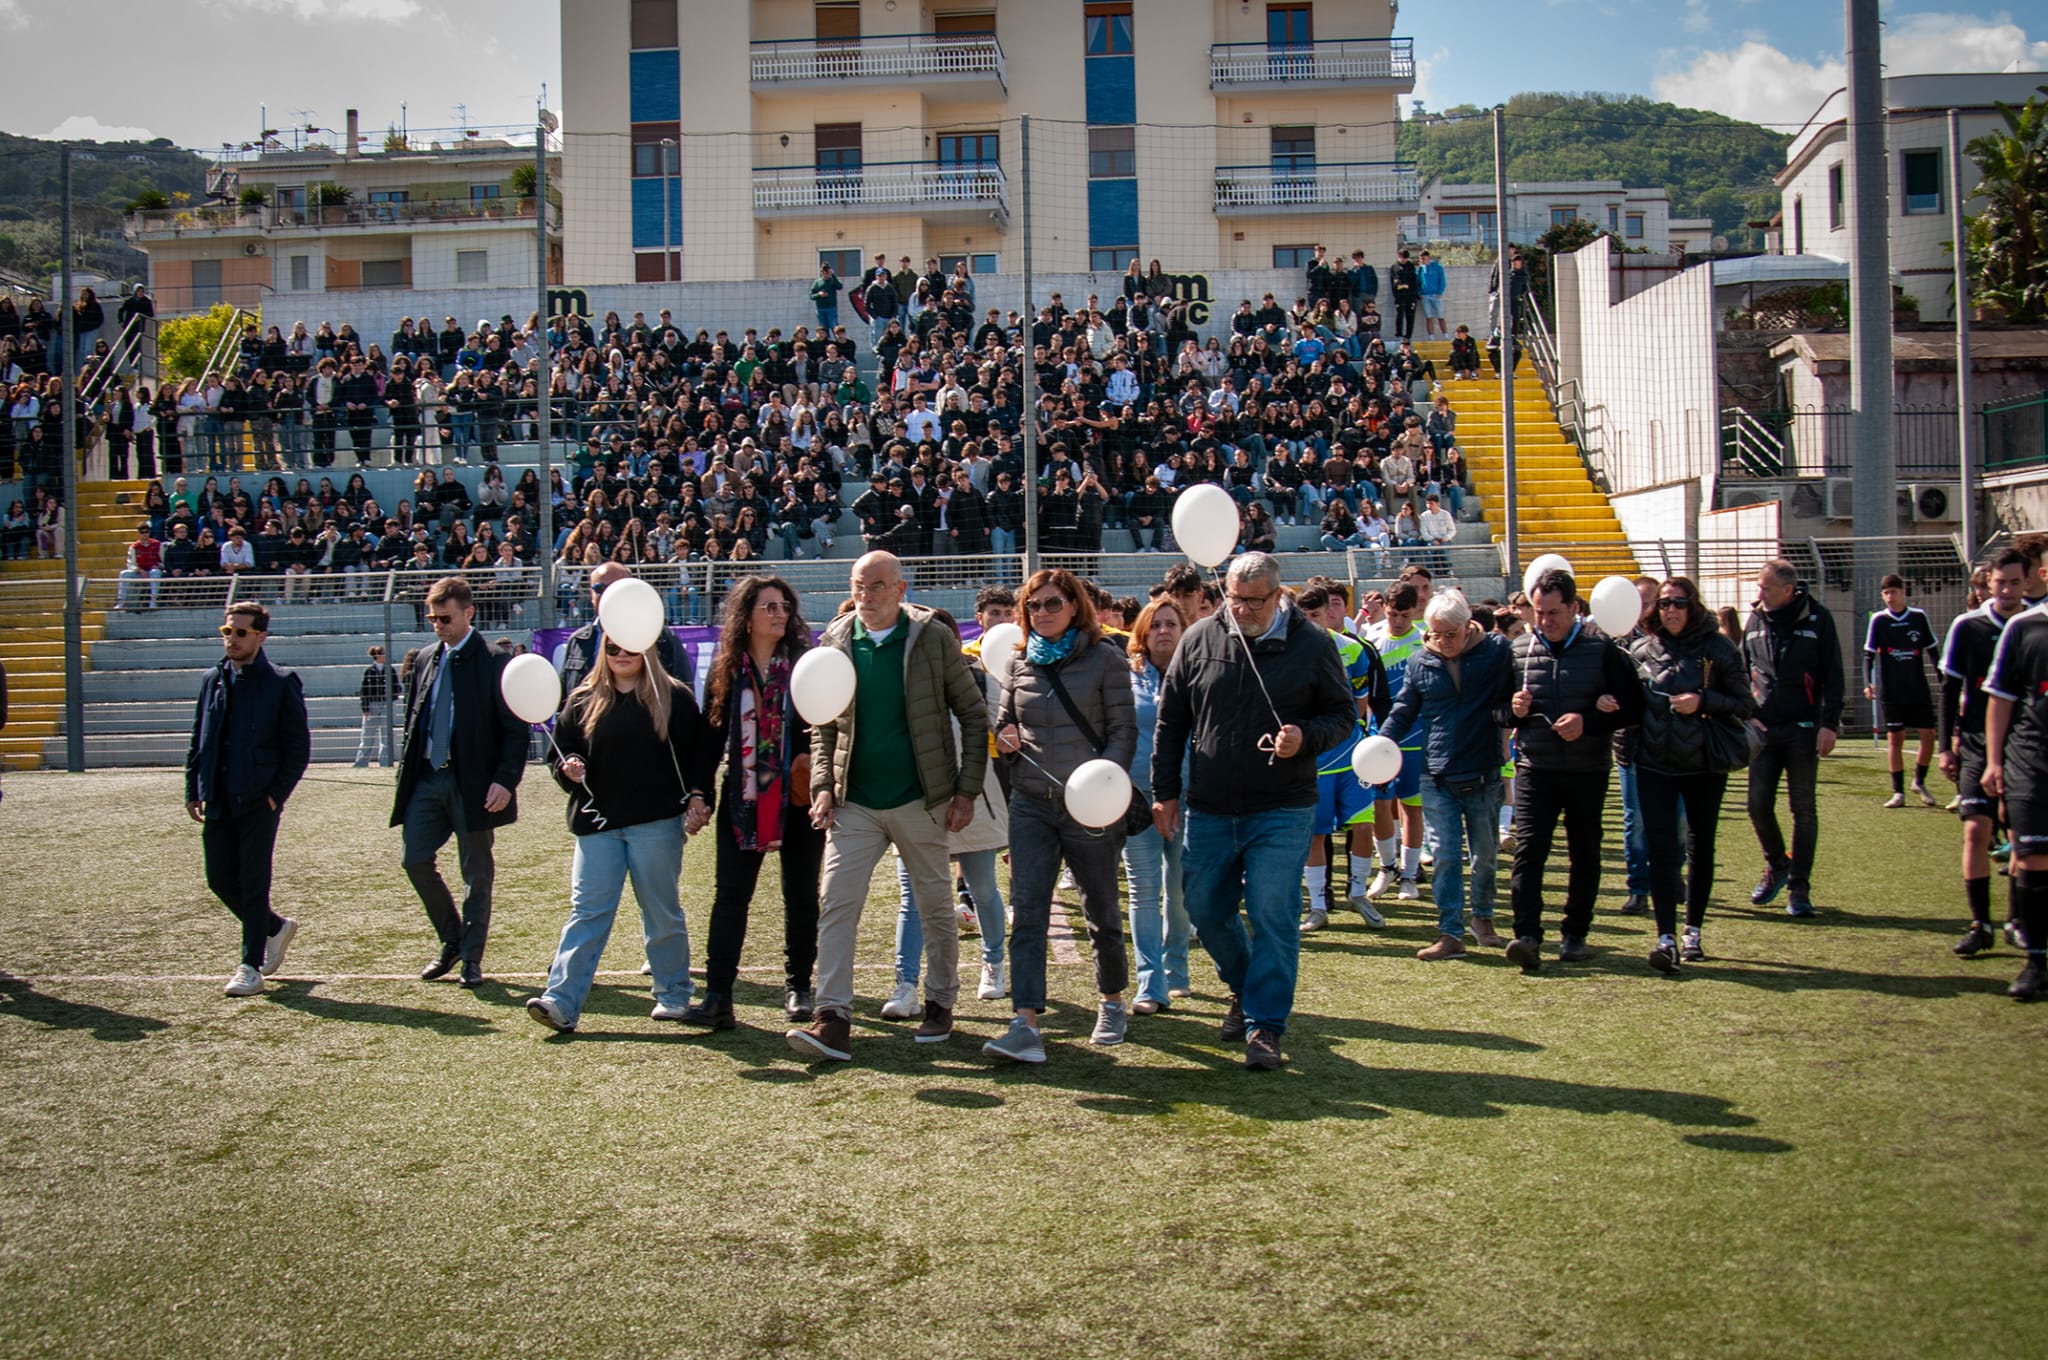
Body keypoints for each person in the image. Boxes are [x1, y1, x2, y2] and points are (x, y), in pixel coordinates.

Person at [1150, 552, 1355, 1071]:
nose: (1240, 609)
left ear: (1278, 596)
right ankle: (1244, 988)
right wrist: (1165, 791)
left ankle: (1265, 1025)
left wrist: (1306, 737)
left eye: (1253, 601)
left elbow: (1342, 715)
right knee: (1204, 909)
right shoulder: (1199, 638)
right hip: (1210, 805)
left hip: (1282, 807)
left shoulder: (1314, 644)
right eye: (1234, 598)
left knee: (1271, 912)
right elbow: (1172, 721)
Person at [786, 552, 990, 1061]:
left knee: (936, 908)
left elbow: (972, 714)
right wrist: (824, 786)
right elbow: (823, 725)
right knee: (836, 902)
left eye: (877, 586)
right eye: (859, 585)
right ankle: (832, 1017)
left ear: (900, 589)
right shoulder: (834, 642)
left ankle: (940, 1002)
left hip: (922, 799)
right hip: (854, 803)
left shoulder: (932, 638)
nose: (866, 596)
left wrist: (966, 791)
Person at [981, 569, 1138, 1064]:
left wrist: (1102, 783)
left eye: (1052, 603)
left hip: (1090, 805)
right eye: (1033, 605)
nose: (1042, 613)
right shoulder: (1018, 660)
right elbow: (1007, 724)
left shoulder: (1105, 657)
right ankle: (1025, 1023)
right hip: (1031, 804)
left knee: (1101, 907)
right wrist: (1006, 740)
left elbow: (1124, 731)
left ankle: (1112, 1001)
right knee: (1028, 912)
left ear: (1074, 607)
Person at [525, 628, 714, 1033]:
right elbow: (560, 750)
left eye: (630, 646)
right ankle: (560, 1001)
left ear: (647, 648)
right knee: (587, 912)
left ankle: (674, 993)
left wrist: (699, 796)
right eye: (613, 647)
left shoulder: (674, 697)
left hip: (656, 823)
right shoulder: (582, 698)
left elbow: (698, 755)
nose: (621, 654)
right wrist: (568, 767)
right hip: (596, 824)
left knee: (660, 910)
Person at [685, 576, 826, 1030]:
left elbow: (825, 725)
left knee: (801, 895)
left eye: (784, 606)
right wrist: (699, 793)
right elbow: (708, 738)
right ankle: (717, 996)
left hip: (798, 797)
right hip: (742, 798)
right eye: (769, 607)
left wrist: (819, 776)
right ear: (746, 616)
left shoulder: (805, 663)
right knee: (730, 896)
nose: (780, 614)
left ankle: (799, 988)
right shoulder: (726, 670)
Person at [1499, 569, 1645, 971]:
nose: (1544, 620)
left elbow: (1633, 707)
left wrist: (1589, 722)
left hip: (1587, 769)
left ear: (1574, 608)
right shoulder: (1518, 650)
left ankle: (1575, 934)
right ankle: (1527, 936)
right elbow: (1498, 710)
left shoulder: (1602, 651)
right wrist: (1513, 710)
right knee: (1529, 851)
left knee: (1585, 853)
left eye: (1553, 613)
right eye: (1538, 612)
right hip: (1535, 767)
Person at [390, 576, 528, 988]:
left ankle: (471, 957)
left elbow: (516, 731)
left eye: (445, 618)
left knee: (476, 873)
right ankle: (452, 938)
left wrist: (505, 780)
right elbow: (414, 720)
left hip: (475, 786)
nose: (438, 625)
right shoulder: (424, 659)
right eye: (431, 618)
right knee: (414, 859)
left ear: (469, 613)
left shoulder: (496, 661)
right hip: (428, 779)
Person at [1625, 576, 1756, 971]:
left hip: (1703, 763)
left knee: (1700, 845)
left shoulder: (1719, 648)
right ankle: (1665, 936)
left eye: (1678, 603)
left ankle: (1692, 930)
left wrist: (1702, 701)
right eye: (1664, 603)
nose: (1671, 610)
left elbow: (1744, 703)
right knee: (1661, 850)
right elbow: (1633, 705)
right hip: (1654, 763)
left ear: (1693, 605)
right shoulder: (1642, 650)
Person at [1378, 589, 1515, 959]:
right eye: (1435, 634)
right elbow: (1404, 709)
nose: (1442, 642)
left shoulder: (1496, 652)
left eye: (1450, 635)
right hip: (1437, 773)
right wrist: (1381, 744)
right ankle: (1450, 932)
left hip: (1483, 769)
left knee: (1484, 854)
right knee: (1445, 855)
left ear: (1468, 627)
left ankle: (1483, 917)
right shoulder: (1420, 662)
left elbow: (1512, 694)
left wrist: (1509, 724)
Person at [185, 601, 310, 998]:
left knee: (254, 883)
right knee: (219, 879)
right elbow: (199, 737)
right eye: (228, 632)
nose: (232, 639)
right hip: (218, 797)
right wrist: (193, 788)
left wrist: (275, 797)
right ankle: (274, 927)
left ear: (260, 636)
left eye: (240, 632)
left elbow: (298, 748)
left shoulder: (281, 682)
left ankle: (250, 966)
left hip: (258, 801)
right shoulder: (212, 679)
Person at [1743, 558, 1843, 919]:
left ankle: (1799, 888)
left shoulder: (1818, 620)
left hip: (1803, 729)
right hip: (1763, 731)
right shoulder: (1755, 620)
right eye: (1759, 586)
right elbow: (1741, 671)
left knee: (1803, 809)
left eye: (1766, 587)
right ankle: (1777, 864)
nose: (1760, 593)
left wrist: (1829, 724)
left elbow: (1833, 673)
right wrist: (1748, 713)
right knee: (1757, 805)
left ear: (1788, 590)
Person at [1941, 549, 2028, 957]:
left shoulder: (2035, 625)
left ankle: (2016, 920)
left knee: (2020, 836)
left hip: (2025, 746)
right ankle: (1980, 924)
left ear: (2026, 583)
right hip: (1977, 741)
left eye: (2015, 582)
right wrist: (1946, 747)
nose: (2007, 590)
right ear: (1987, 583)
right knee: (1976, 828)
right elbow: (1949, 689)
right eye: (2000, 582)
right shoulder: (1968, 626)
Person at [1296, 582, 1389, 932]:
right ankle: (1318, 906)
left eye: (1317, 614)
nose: (1312, 622)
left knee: (1363, 825)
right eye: (1305, 616)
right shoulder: (1291, 654)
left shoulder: (1353, 650)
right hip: (1315, 760)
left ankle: (1358, 893)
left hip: (1352, 757)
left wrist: (1353, 738)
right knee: (1316, 834)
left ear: (1330, 614)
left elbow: (1361, 704)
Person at [1125, 596, 1192, 1012]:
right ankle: (1150, 983)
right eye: (1155, 624)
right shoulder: (1126, 677)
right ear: (1143, 633)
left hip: (1187, 796)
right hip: (1136, 798)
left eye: (1171, 624)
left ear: (1184, 630)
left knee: (1180, 889)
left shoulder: (1198, 673)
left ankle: (1177, 968)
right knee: (1143, 889)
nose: (1163, 631)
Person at [1980, 599, 2048, 1001]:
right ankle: (2036, 962)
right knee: (2035, 858)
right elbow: (2001, 698)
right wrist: (1994, 762)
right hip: (2033, 761)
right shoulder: (2024, 627)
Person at [556, 561, 694, 696]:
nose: (608, 594)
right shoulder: (577, 641)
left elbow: (684, 694)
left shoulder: (662, 638)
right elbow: (565, 699)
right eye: (600, 589)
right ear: (591, 594)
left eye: (617, 588)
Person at [1865, 573, 1940, 808]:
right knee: (1895, 738)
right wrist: (1868, 683)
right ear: (1882, 595)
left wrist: (1943, 679)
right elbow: (1869, 655)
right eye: (1886, 593)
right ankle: (1898, 792)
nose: (1890, 597)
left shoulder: (1918, 617)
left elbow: (1933, 651)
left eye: (1894, 592)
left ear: (1902, 592)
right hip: (1891, 690)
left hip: (1917, 688)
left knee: (1928, 735)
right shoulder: (1879, 620)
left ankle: (1919, 781)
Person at [354, 644, 395, 767]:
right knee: (367, 736)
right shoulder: (369, 671)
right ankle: (361, 763)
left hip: (385, 704)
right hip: (372, 704)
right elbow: (364, 691)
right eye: (382, 654)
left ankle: (385, 763)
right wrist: (365, 708)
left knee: (386, 736)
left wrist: (391, 698)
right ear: (377, 656)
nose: (385, 656)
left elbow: (396, 686)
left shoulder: (390, 670)